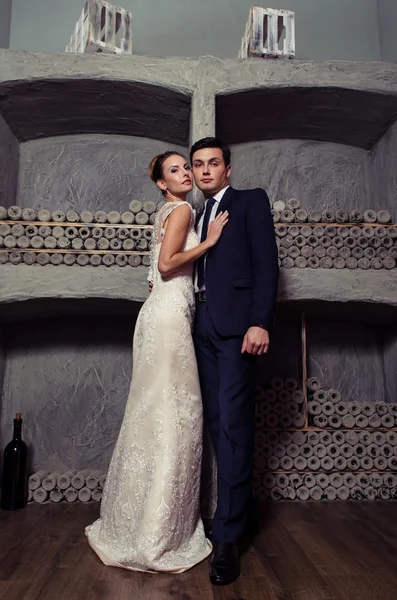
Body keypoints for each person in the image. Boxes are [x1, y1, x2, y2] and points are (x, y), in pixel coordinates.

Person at [85, 151, 228, 573]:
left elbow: (155, 271)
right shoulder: (182, 208)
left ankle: (133, 525)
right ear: (163, 184)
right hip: (167, 318)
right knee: (176, 416)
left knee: (154, 415)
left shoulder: (165, 210)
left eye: (188, 168)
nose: (187, 173)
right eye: (177, 171)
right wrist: (209, 243)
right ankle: (158, 535)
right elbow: (166, 266)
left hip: (158, 313)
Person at [191, 137, 279, 586]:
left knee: (234, 426)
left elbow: (267, 264)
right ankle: (225, 517)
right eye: (198, 164)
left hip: (238, 329)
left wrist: (260, 321)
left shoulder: (250, 202)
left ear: (228, 169)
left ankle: (227, 538)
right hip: (200, 326)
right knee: (215, 424)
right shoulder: (196, 214)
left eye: (214, 163)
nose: (206, 171)